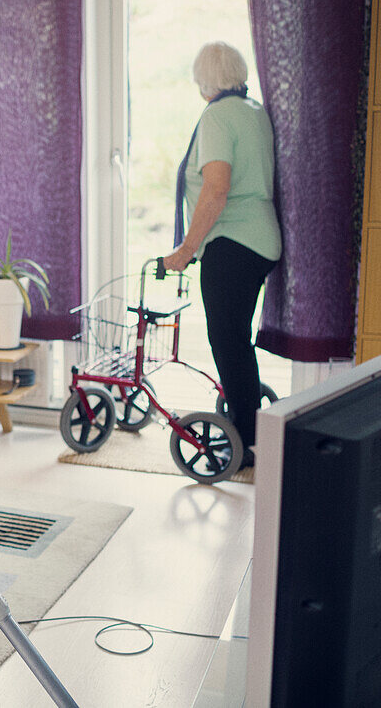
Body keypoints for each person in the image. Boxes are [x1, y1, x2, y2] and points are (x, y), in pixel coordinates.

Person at [162, 41, 282, 467]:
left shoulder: (216, 116)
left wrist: (186, 250)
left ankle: (248, 446)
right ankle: (249, 421)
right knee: (237, 343)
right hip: (261, 241)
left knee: (228, 343)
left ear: (204, 81)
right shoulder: (253, 110)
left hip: (232, 244)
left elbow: (216, 189)